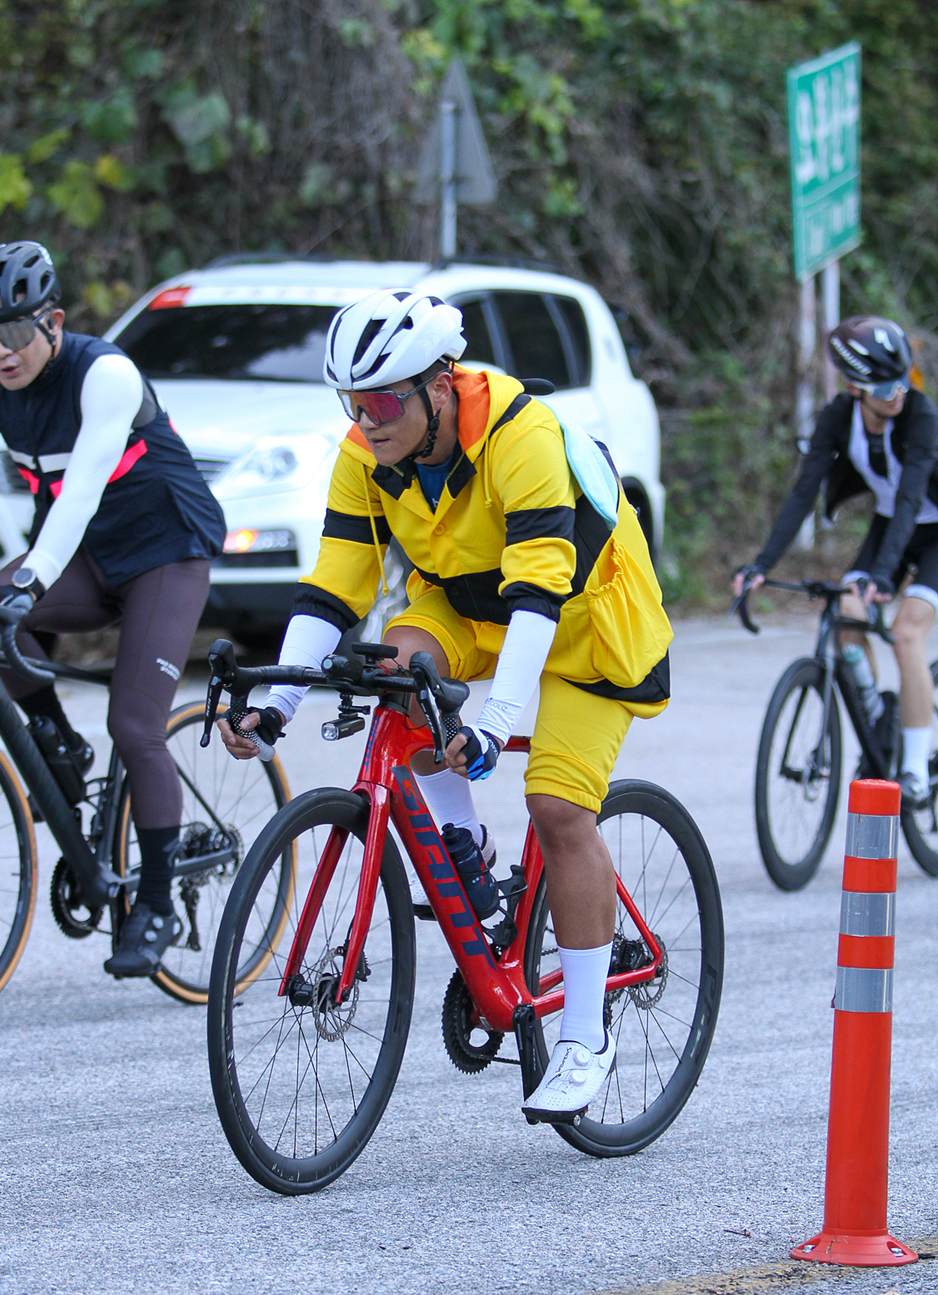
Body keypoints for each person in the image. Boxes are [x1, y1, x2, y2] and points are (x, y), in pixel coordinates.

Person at [219, 288, 672, 1119]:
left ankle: (584, 1034)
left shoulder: (520, 435)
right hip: (470, 608)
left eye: (385, 402)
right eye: (353, 404)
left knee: (558, 807)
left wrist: (494, 725)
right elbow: (334, 588)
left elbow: (539, 594)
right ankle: (469, 855)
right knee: (398, 674)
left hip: (583, 622)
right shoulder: (364, 452)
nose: (368, 420)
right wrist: (278, 703)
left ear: (439, 385)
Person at [0, 240, 227, 975]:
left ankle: (155, 904)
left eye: (13, 332)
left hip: (165, 552)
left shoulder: (105, 374)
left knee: (134, 725)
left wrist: (32, 581)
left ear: (54, 322)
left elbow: (83, 490)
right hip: (89, 559)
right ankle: (57, 744)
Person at [734, 315, 938, 807]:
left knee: (906, 632)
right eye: (884, 387)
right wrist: (761, 564)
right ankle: (877, 717)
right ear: (854, 388)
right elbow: (803, 492)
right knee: (848, 613)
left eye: (904, 380)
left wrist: (884, 575)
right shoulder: (837, 418)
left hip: (932, 529)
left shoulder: (920, 415)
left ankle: (914, 768)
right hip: (891, 524)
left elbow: (911, 498)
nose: (898, 394)